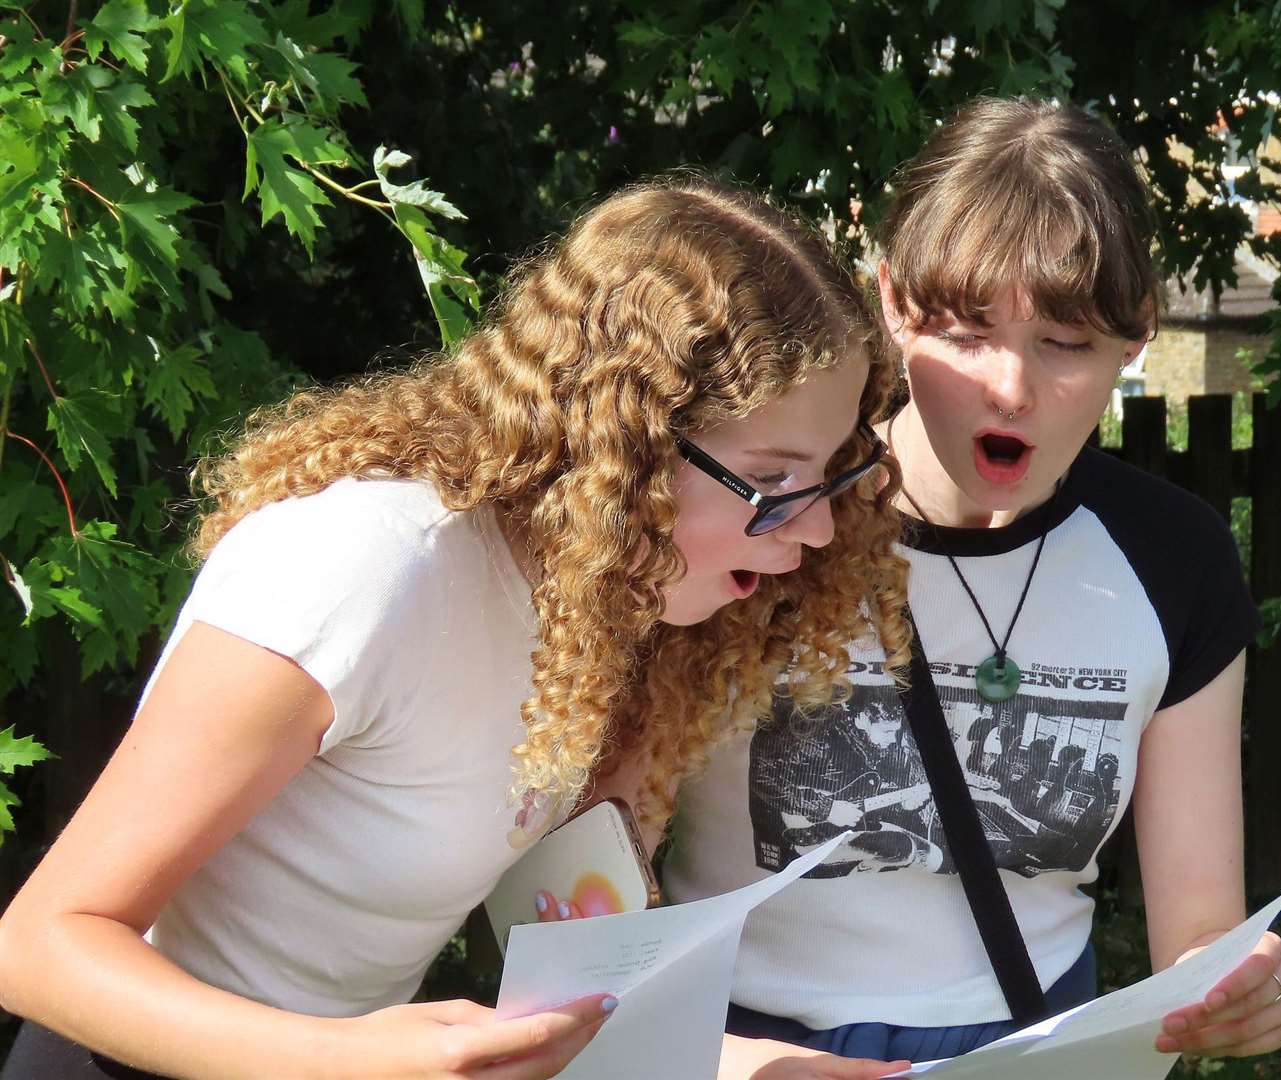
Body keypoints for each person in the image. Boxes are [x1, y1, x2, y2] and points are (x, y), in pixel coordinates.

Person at [0, 178, 913, 1080]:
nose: (819, 528)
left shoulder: (627, 605)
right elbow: (39, 946)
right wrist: (344, 1063)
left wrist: (739, 1068)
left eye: (831, 475)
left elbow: (577, 975)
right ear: (624, 440)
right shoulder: (364, 566)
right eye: (775, 481)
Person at [661, 98, 1281, 1066]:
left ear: (1136, 335)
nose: (1009, 387)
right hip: (739, 1049)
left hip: (1033, 1044)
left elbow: (1199, 930)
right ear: (888, 301)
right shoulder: (760, 518)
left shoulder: (1171, 557)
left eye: (1064, 343)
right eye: (964, 332)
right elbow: (583, 876)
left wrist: (1234, 987)